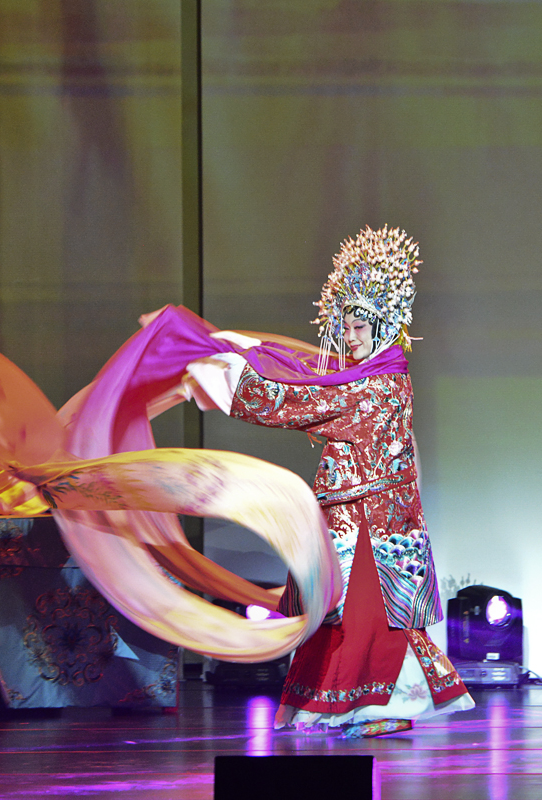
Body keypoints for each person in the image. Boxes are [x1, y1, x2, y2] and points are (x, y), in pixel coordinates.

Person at [197, 226, 474, 738]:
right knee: (336, 617)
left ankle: (382, 705)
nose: (349, 338)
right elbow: (310, 378)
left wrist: (233, 379)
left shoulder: (380, 385)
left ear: (383, 325)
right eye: (344, 328)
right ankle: (335, 706)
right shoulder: (367, 378)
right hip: (350, 520)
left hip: (372, 527)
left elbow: (306, 399)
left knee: (367, 618)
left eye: (358, 328)